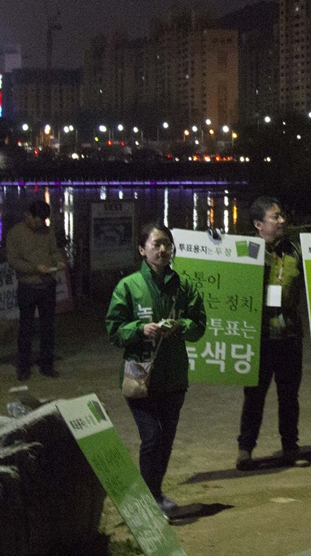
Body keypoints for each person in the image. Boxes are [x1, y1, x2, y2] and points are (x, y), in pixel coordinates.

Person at [105, 222, 207, 519]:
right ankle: (150, 498)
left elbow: (199, 325)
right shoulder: (128, 286)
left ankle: (156, 493)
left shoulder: (184, 285)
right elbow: (114, 330)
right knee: (152, 436)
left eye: (167, 244)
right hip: (140, 376)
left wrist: (180, 326)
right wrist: (140, 329)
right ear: (142, 249)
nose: (163, 250)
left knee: (166, 439)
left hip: (174, 376)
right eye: (156, 244)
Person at [236, 196, 305, 471]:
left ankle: (290, 447)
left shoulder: (296, 251)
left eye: (281, 216)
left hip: (289, 335)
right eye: (275, 217)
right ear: (258, 224)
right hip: (259, 337)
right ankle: (244, 450)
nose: (281, 221)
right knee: (254, 396)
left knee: (289, 397)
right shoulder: (245, 252)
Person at [6, 199, 67, 380]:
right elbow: (14, 261)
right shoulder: (15, 233)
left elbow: (54, 252)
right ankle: (23, 367)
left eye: (43, 221)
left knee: (48, 327)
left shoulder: (47, 232)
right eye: (38, 221)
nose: (40, 225)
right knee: (26, 328)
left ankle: (46, 364)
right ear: (29, 216)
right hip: (28, 286)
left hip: (47, 285)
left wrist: (58, 261)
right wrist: (35, 268)